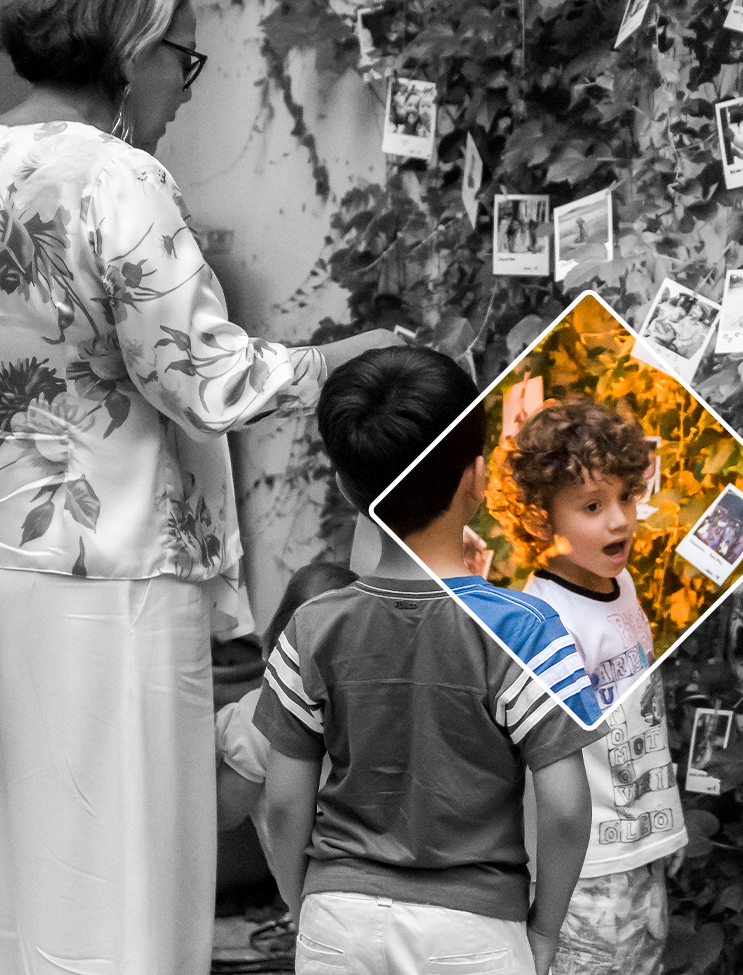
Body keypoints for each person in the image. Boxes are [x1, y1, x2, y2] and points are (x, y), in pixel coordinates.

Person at [0, 0, 397, 975]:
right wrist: (341, 358)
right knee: (129, 862)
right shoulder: (120, 179)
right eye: (185, 61)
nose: (187, 89)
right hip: (114, 566)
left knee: (26, 850)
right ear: (136, 48)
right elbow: (205, 378)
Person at [253, 346, 603, 975]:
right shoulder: (524, 632)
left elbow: (282, 803)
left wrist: (300, 896)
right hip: (473, 933)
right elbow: (566, 805)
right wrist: (545, 929)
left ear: (344, 485)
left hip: (337, 918)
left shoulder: (311, 628)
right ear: (477, 476)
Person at [487, 398, 689, 975]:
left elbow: (642, 717)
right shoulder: (540, 618)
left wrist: (663, 826)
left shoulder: (621, 582)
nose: (621, 519)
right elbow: (541, 761)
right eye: (593, 505)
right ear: (538, 518)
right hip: (585, 869)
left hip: (640, 851)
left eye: (627, 496)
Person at [215, 561, 358, 836]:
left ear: (269, 648)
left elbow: (222, 813)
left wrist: (209, 744)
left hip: (304, 872)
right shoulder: (375, 710)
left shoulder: (256, 717)